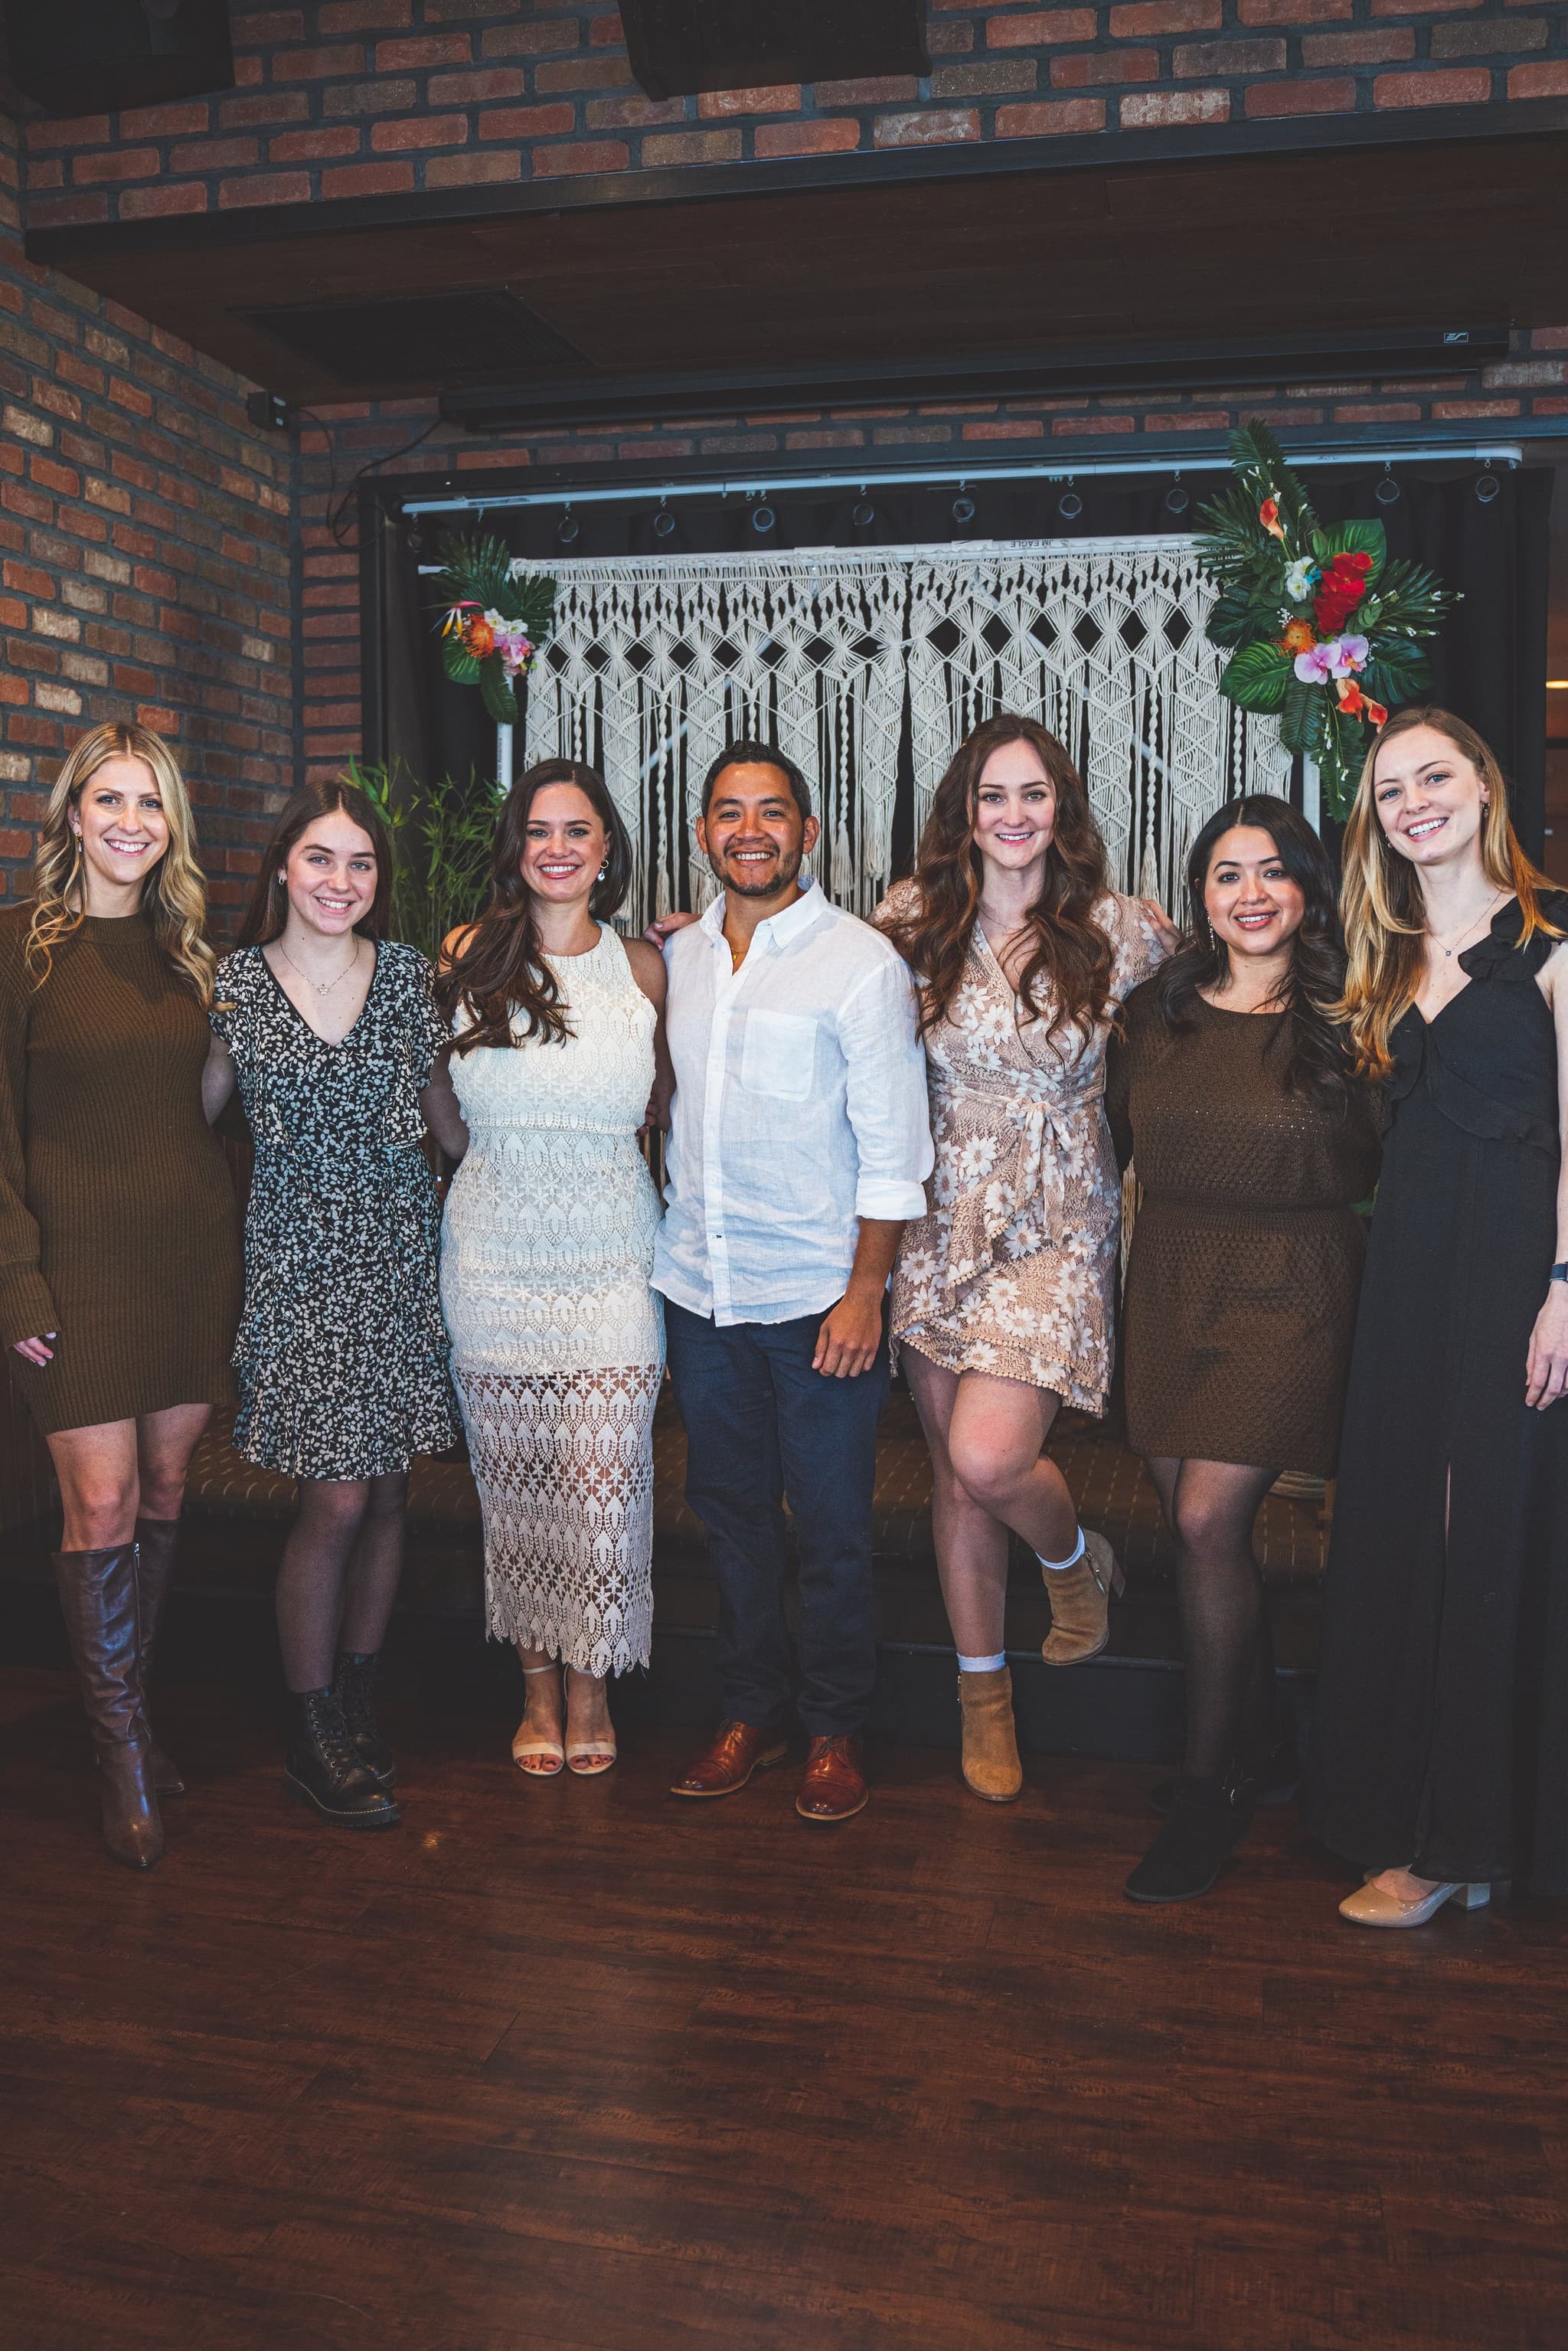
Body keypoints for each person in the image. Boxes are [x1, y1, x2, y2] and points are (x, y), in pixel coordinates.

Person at [876, 713, 1173, 1804]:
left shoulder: (1119, 927)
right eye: (992, 796)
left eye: (1033, 794)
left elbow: (1233, 982)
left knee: (991, 1457)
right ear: (964, 810)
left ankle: (1073, 1559)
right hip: (937, 1216)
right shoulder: (910, 922)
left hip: (1057, 1218)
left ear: (1062, 809)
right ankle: (983, 1694)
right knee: (957, 1477)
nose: (1012, 815)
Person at [1308, 708, 1568, 1926]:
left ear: (1483, 786)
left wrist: (1564, 1290)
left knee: (1483, 1538)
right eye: (1392, 786)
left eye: (1436, 776)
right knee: (1408, 1527)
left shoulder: (1553, 936)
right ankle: (1413, 1814)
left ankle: (1462, 1840)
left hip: (1517, 1271)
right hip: (1409, 1265)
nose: (1416, 800)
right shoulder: (1388, 953)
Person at [1105, 796, 1380, 1901]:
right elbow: (1111, 1149)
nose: (1252, 892)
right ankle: (1264, 1745)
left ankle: (1212, 1786)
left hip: (1295, 1288)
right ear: (1202, 892)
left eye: (1274, 871)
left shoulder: (1354, 1015)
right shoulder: (1151, 1012)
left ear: (1309, 889)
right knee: (1201, 1537)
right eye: (1228, 873)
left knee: (1207, 1518)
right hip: (1171, 1284)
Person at [656, 739, 932, 1823]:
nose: (751, 830)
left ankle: (834, 1728)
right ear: (702, 834)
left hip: (822, 1299)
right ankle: (748, 1713)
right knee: (729, 1514)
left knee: (829, 1524)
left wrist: (868, 1289)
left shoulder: (861, 962)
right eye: (729, 812)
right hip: (700, 1294)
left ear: (810, 833)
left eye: (773, 812)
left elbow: (894, 1147)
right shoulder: (671, 959)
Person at [0, 722, 240, 1870]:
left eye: (151, 804)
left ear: (171, 824)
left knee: (162, 1489)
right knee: (94, 1511)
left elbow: (216, 1116)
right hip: (74, 1275)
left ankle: (131, 1715)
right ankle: (121, 1759)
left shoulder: (193, 953)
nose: (131, 822)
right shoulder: (17, 951)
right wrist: (18, 1282)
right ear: (73, 816)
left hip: (187, 1260)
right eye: (110, 801)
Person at [204, 779, 464, 1831]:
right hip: (302, 1275)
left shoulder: (408, 979)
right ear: (282, 867)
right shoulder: (232, 986)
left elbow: (450, 1123)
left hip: (403, 1266)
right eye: (320, 858)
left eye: (360, 863)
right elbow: (188, 1121)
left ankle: (357, 1692)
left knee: (393, 1493)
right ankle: (310, 1726)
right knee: (340, 1500)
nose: (340, 880)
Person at [436, 759, 671, 1780]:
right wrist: (488, 1168)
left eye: (578, 830)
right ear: (517, 849)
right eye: (539, 830)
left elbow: (664, 1102)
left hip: (615, 1249)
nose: (559, 847)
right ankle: (536, 1686)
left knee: (601, 1482)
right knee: (516, 1489)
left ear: (605, 847)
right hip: (493, 1250)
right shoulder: (464, 954)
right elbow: (439, 1104)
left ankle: (592, 1682)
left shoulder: (647, 965)